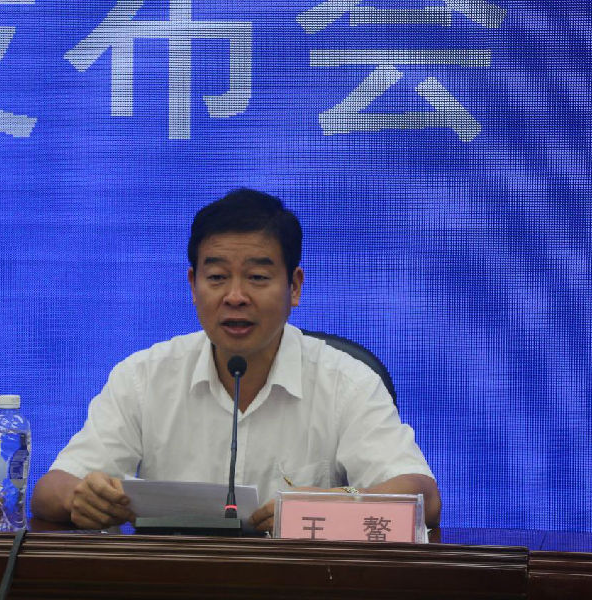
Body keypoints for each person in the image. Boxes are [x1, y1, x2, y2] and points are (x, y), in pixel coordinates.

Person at [31, 188, 440, 532]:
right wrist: (81, 497)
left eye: (258, 277)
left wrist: (333, 506)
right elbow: (50, 490)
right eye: (217, 277)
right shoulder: (144, 376)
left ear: (294, 287)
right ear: (193, 286)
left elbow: (422, 497)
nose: (235, 296)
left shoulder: (345, 382)